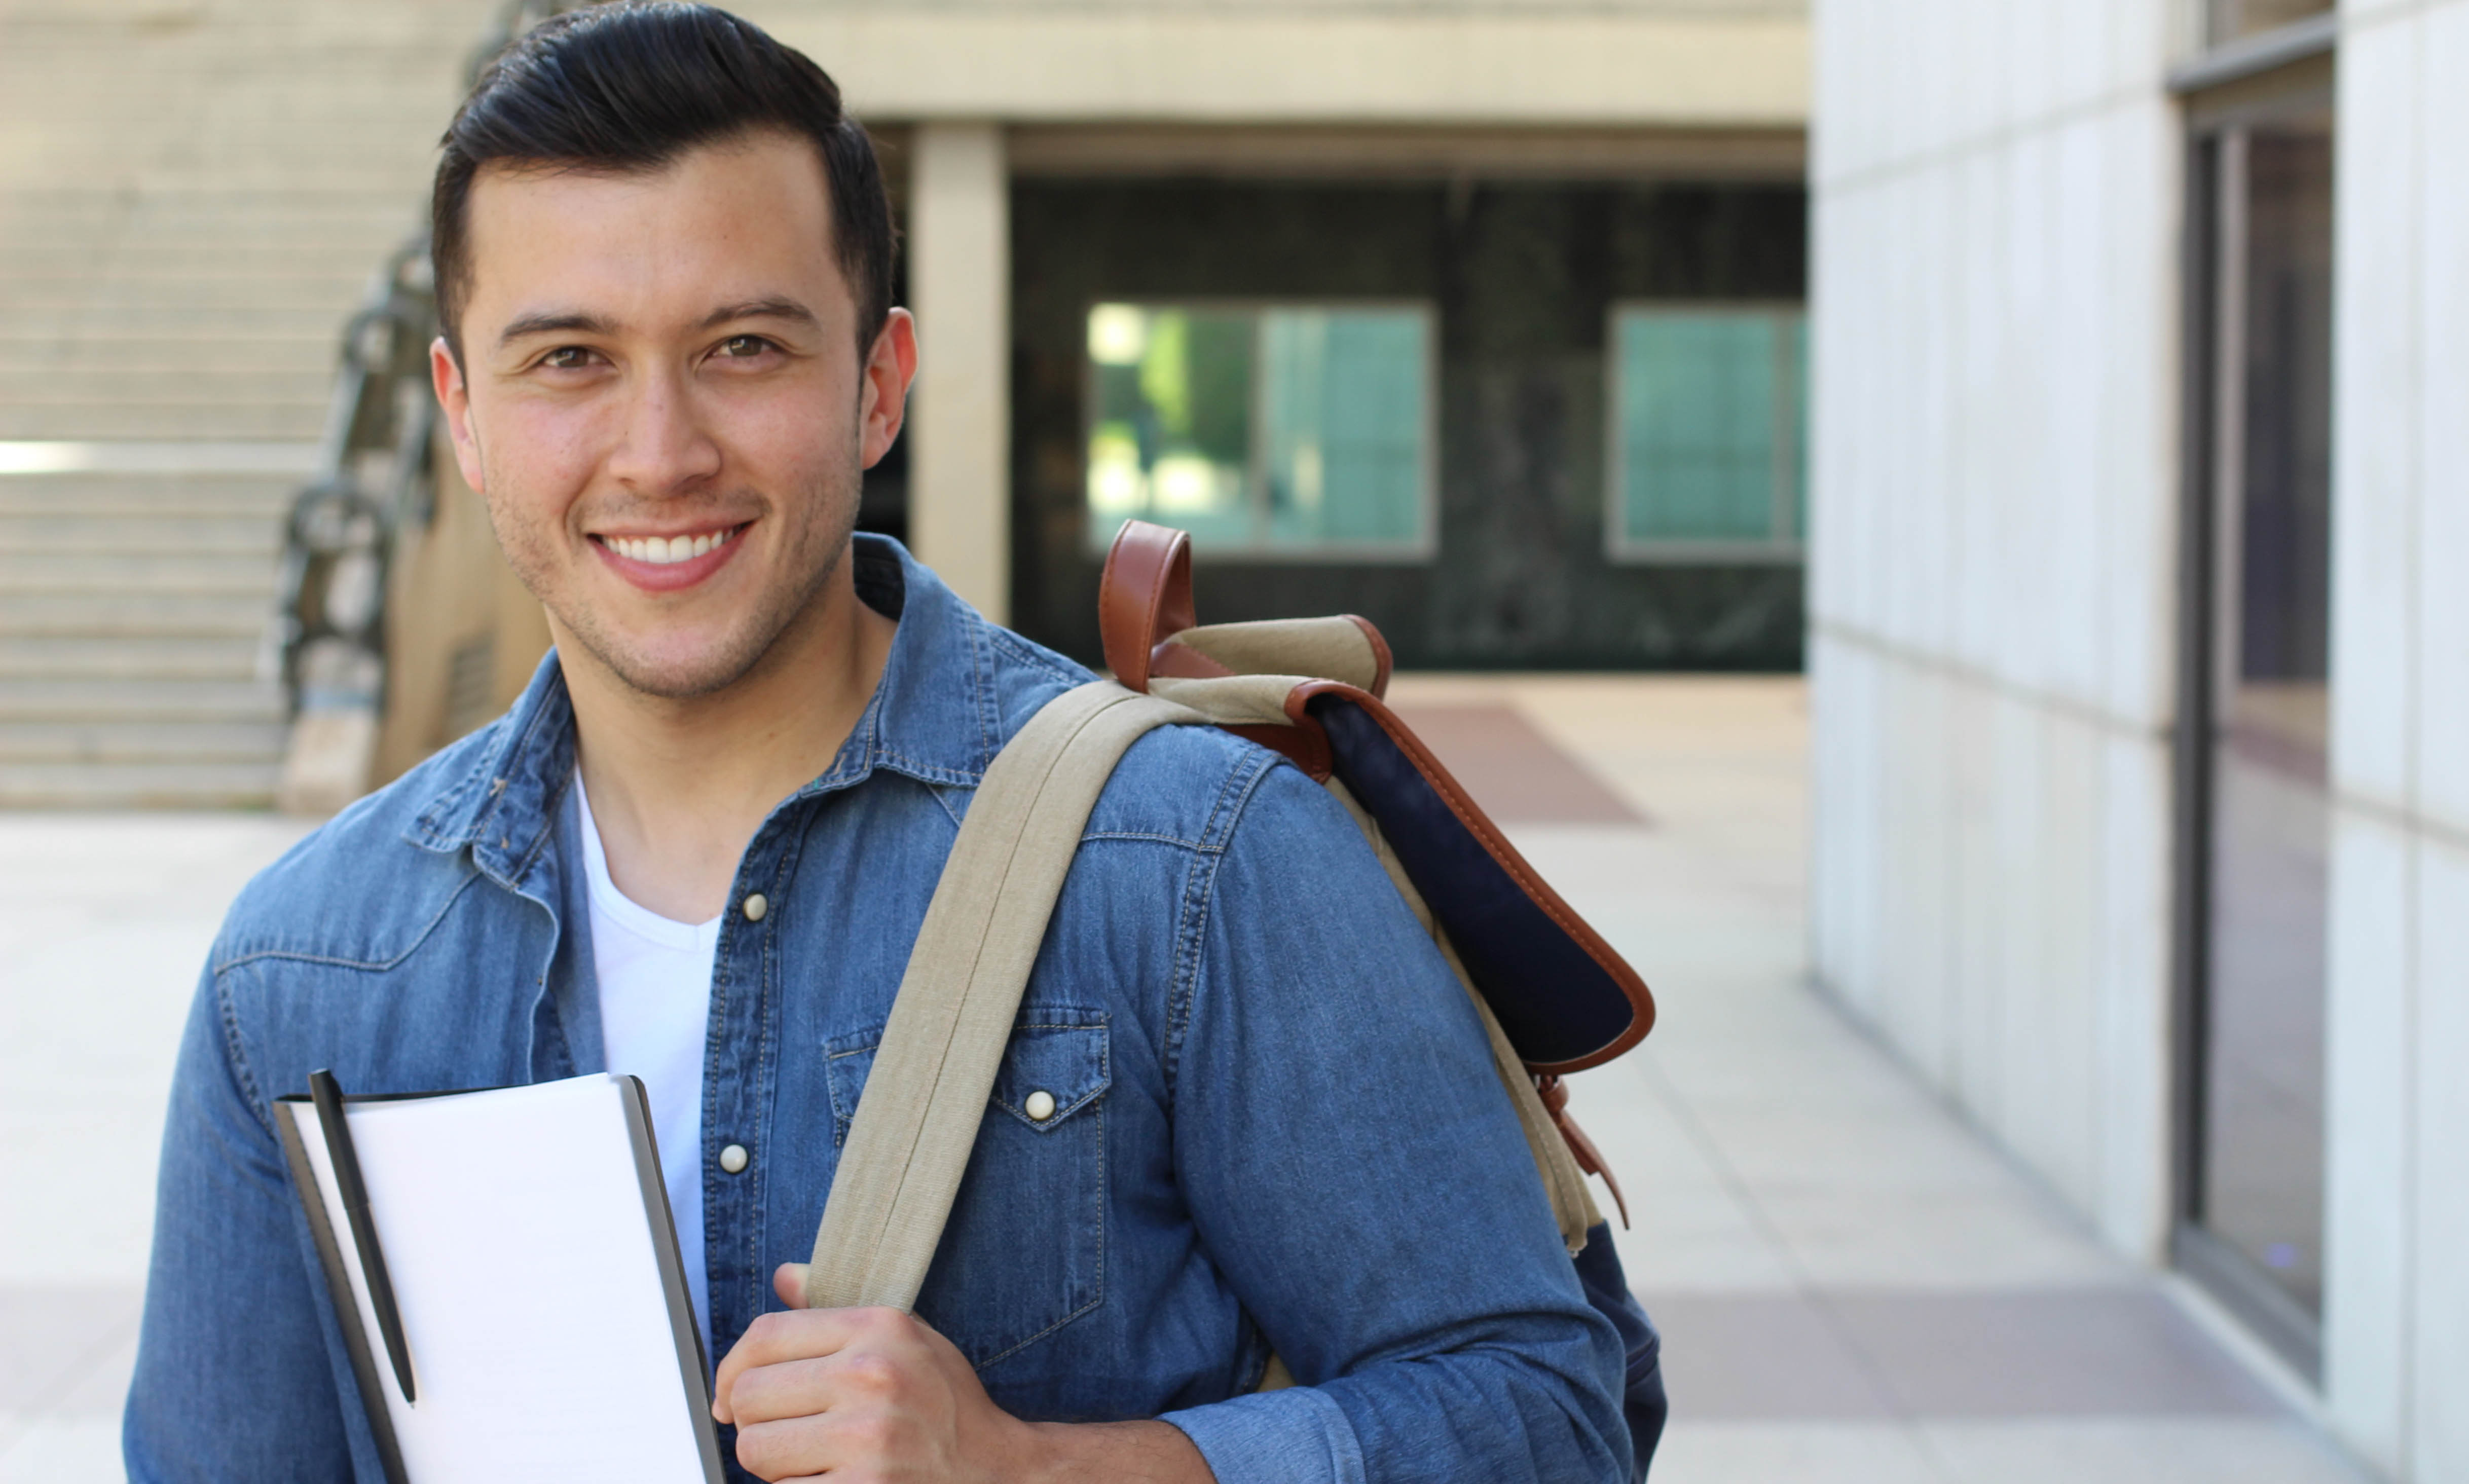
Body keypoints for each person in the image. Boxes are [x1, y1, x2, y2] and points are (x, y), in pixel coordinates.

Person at [122, 5, 1630, 1481]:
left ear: (879, 386)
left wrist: (1030, 1469)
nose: (659, 452)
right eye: (569, 359)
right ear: (462, 413)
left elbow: (1550, 1417)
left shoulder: (1191, 860)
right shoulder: (302, 971)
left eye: (744, 347)